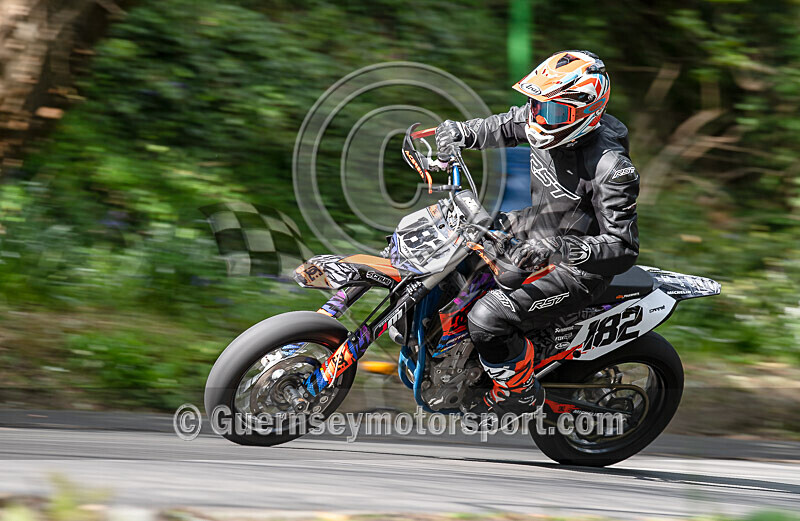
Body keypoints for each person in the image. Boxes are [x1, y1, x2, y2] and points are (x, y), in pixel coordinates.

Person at [434, 50, 640, 419]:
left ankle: (518, 394)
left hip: (576, 269)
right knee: (443, 255)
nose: (537, 117)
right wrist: (461, 133)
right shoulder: (542, 120)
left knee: (488, 317)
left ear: (586, 109)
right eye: (534, 103)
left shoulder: (612, 168)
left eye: (551, 110)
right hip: (530, 230)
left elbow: (623, 247)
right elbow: (502, 125)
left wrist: (558, 248)